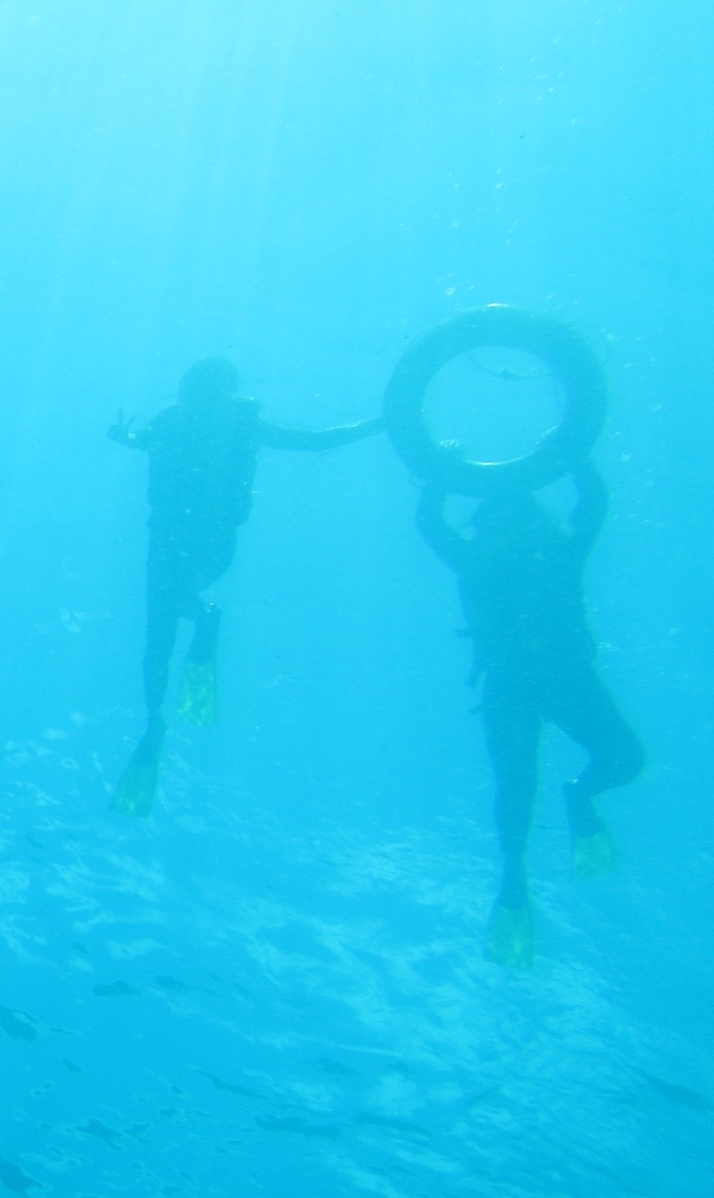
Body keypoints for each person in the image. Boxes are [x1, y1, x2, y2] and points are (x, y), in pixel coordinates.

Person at [110, 358, 380, 816]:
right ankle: (155, 719)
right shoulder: (187, 424)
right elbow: (315, 441)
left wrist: (383, 422)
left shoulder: (235, 425)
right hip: (179, 541)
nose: (193, 396)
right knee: (158, 634)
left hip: (196, 543)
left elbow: (316, 440)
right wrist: (126, 438)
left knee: (162, 623)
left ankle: (201, 625)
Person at [417, 459, 643, 966]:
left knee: (623, 760)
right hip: (522, 684)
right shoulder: (534, 554)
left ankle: (578, 798)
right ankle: (514, 877)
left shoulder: (538, 554)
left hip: (552, 679)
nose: (510, 530)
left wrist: (441, 467)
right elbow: (592, 507)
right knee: (518, 789)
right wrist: (575, 456)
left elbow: (431, 524)